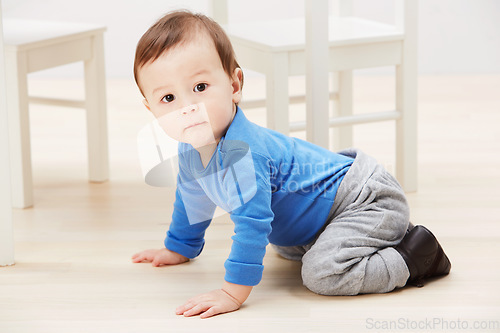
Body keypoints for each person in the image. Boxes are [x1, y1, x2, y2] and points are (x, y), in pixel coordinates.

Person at [131, 10, 451, 319]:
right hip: (321, 215)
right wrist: (179, 248)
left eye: (200, 88)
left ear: (234, 86)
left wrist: (232, 292)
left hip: (363, 198)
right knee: (285, 246)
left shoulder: (243, 154)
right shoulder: (190, 151)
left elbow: (252, 225)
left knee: (321, 273)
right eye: (168, 99)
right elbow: (192, 202)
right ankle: (376, 236)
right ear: (151, 108)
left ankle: (414, 256)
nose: (187, 107)